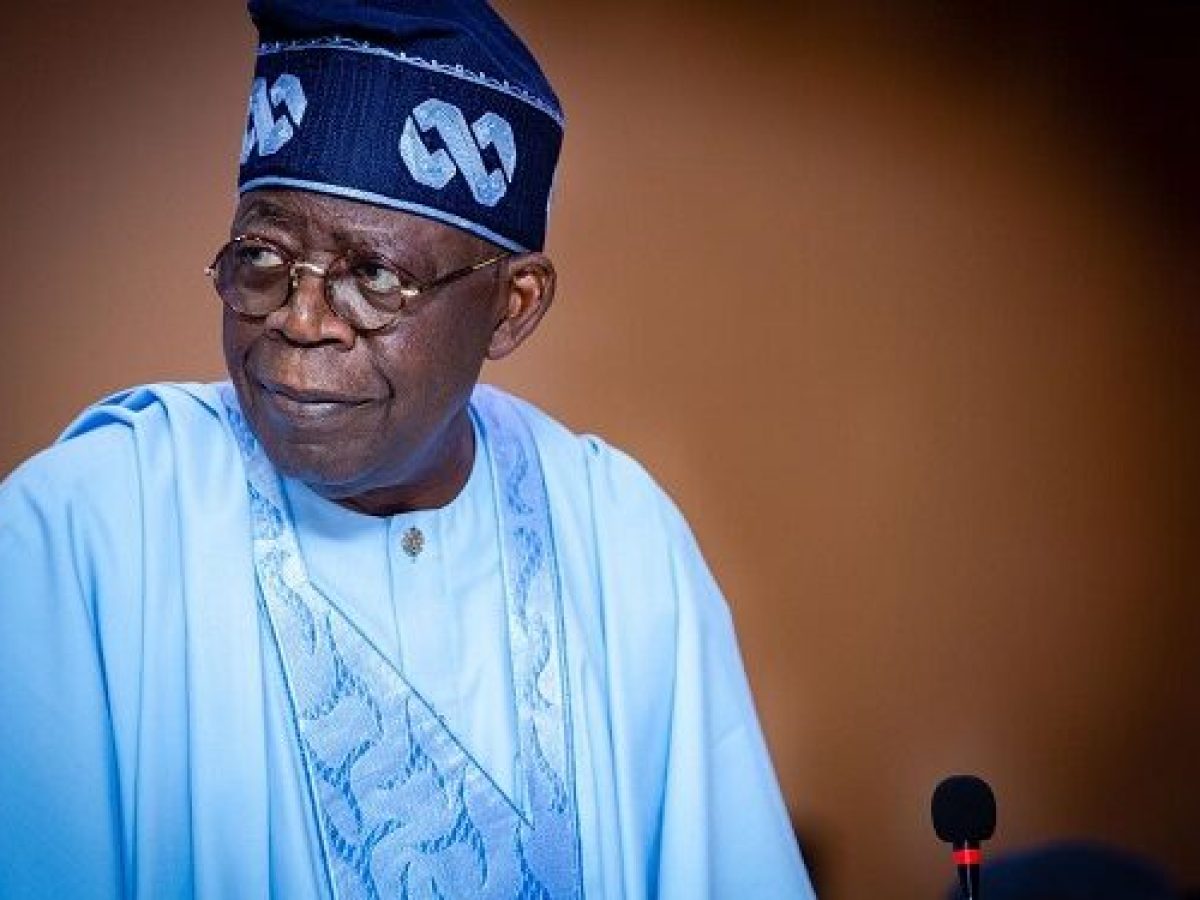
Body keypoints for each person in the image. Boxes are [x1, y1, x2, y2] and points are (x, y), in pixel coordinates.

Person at [0, 1, 814, 897]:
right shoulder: (85, 528)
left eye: (375, 278)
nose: (300, 321)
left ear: (512, 307)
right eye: (262, 259)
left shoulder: (619, 541)